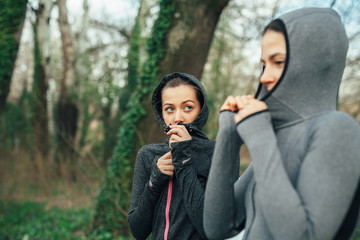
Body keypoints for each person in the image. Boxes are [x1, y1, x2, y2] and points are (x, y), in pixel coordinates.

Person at [204, 7, 360, 240]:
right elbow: (219, 228)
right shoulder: (273, 135)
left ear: (314, 62)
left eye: (278, 62)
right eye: (263, 64)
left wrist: (259, 136)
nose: (264, 77)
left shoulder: (338, 130)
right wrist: (228, 136)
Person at [128, 72, 216, 239]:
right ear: (162, 113)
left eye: (188, 107)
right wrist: (155, 181)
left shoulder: (217, 154)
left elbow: (212, 230)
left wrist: (183, 162)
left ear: (201, 108)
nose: (177, 118)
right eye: (169, 109)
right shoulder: (148, 155)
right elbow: (138, 231)